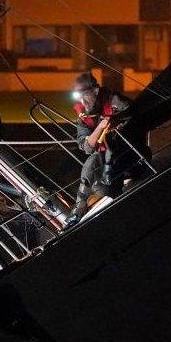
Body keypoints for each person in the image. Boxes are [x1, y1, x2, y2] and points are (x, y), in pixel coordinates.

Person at [66, 72, 132, 226]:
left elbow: (132, 111)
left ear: (95, 91)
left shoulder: (113, 100)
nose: (82, 101)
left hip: (126, 154)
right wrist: (100, 127)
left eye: (84, 95)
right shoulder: (83, 115)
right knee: (91, 161)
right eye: (78, 97)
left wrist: (114, 120)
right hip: (104, 164)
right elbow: (87, 147)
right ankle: (78, 208)